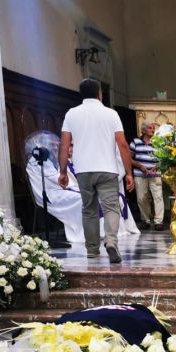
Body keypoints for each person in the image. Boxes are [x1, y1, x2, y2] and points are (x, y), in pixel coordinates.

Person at [58, 78, 134, 263]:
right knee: (111, 208)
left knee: (89, 210)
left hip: (83, 170)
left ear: (81, 94)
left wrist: (62, 172)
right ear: (100, 93)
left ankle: (92, 249)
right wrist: (129, 172)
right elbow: (122, 144)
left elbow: (64, 144)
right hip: (107, 169)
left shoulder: (71, 114)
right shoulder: (111, 114)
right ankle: (111, 242)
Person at [130, 122, 163, 230]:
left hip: (155, 174)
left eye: (153, 128)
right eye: (150, 128)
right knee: (141, 198)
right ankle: (146, 220)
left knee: (158, 197)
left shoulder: (159, 142)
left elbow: (163, 159)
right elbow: (129, 158)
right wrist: (139, 166)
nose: (152, 130)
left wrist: (157, 166)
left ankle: (159, 221)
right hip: (140, 174)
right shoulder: (136, 142)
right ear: (143, 130)